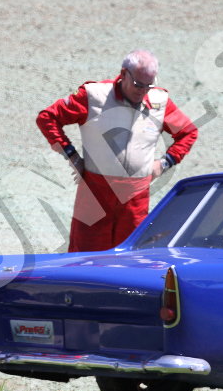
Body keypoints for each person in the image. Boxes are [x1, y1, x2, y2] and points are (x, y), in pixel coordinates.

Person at [36, 49, 198, 252]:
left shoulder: (159, 101)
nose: (143, 91)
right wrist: (71, 155)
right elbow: (48, 118)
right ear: (123, 74)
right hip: (95, 193)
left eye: (148, 85)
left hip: (136, 197)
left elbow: (188, 132)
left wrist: (165, 163)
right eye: (138, 84)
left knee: (131, 258)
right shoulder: (94, 96)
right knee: (85, 259)